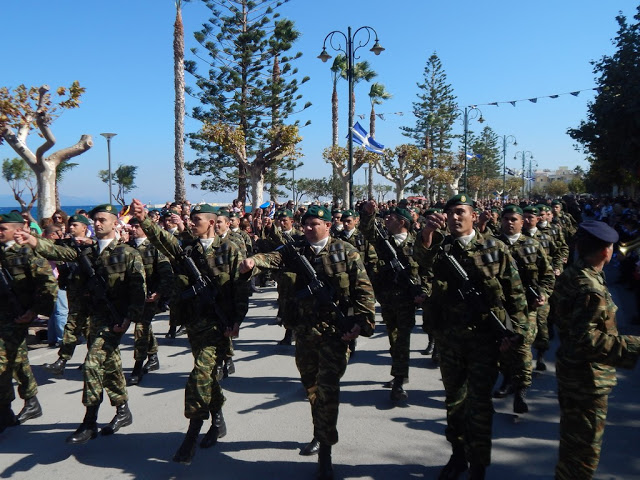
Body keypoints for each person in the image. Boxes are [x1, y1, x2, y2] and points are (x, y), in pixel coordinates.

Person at [239, 204, 375, 480]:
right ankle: (318, 431)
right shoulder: (295, 250)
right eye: (306, 224)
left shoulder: (345, 251)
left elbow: (363, 289)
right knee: (311, 387)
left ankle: (326, 451)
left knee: (327, 390)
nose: (310, 229)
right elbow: (271, 258)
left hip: (335, 332)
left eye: (315, 224)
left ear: (327, 225)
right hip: (304, 331)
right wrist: (253, 263)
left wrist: (361, 323)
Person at [416, 194, 528, 480]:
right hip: (450, 340)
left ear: (474, 216)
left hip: (484, 340)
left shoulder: (495, 248)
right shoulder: (441, 247)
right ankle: (457, 455)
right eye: (450, 213)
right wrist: (427, 232)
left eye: (460, 212)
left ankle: (478, 465)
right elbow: (420, 260)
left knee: (478, 404)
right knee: (454, 403)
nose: (454, 217)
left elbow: (515, 295)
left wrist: (515, 335)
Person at [130, 199, 249, 465]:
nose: (192, 224)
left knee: (199, 376)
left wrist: (236, 320)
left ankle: (191, 434)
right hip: (195, 323)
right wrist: (145, 219)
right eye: (192, 220)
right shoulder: (188, 249)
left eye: (197, 220)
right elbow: (164, 241)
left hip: (218, 325)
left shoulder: (229, 249)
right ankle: (217, 419)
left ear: (210, 222)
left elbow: (241, 288)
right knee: (206, 375)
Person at [15, 205, 146, 444]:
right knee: (110, 366)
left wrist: (129, 318)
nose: (97, 223)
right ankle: (123, 409)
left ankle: (89, 422)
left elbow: (138, 290)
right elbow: (57, 252)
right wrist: (33, 241)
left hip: (115, 319)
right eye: (95, 220)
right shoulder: (88, 251)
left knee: (93, 365)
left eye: (102, 220)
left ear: (114, 223)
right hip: (94, 317)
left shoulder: (128, 253)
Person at [552, 220, 640, 480]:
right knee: (584, 453)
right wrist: (634, 345)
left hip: (572, 371)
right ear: (606, 251)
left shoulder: (576, 273)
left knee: (571, 444)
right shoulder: (590, 287)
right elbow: (585, 340)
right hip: (587, 379)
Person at [359, 200, 426, 402]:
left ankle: (398, 380)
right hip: (387, 297)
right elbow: (367, 230)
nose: (386, 219)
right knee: (393, 338)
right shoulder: (383, 240)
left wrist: (423, 291)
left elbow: (426, 270)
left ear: (403, 222)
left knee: (401, 339)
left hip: (407, 299)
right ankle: (400, 372)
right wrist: (368, 214)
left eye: (391, 217)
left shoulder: (417, 241)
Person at [491, 205, 555, 414]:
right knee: (502, 348)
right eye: (506, 219)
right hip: (499, 307)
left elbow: (547, 275)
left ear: (522, 222)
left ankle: (521, 390)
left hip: (527, 307)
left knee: (523, 348)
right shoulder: (491, 245)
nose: (510, 222)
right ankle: (507, 380)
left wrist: (543, 293)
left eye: (514, 219)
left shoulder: (533, 245)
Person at [0, 212, 57, 433]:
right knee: (17, 359)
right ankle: (31, 400)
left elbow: (48, 285)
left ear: (16, 230)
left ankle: (4, 411)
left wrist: (34, 312)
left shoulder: (28, 253)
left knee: (4, 361)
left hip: (18, 316)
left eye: (3, 229)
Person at [43, 214, 94, 375]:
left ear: (84, 228)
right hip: (74, 292)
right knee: (73, 327)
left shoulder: (92, 246)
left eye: (75, 225)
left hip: (91, 294)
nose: (71, 227)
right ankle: (64, 360)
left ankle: (85, 359)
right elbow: (50, 250)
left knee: (87, 329)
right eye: (70, 225)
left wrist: (91, 243)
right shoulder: (65, 245)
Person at [127, 217, 174, 385]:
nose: (133, 229)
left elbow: (166, 273)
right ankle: (153, 356)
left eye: (136, 226)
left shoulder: (155, 247)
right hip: (132, 297)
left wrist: (159, 293)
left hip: (150, 296)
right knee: (145, 327)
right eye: (131, 226)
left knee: (141, 327)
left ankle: (137, 366)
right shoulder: (128, 247)